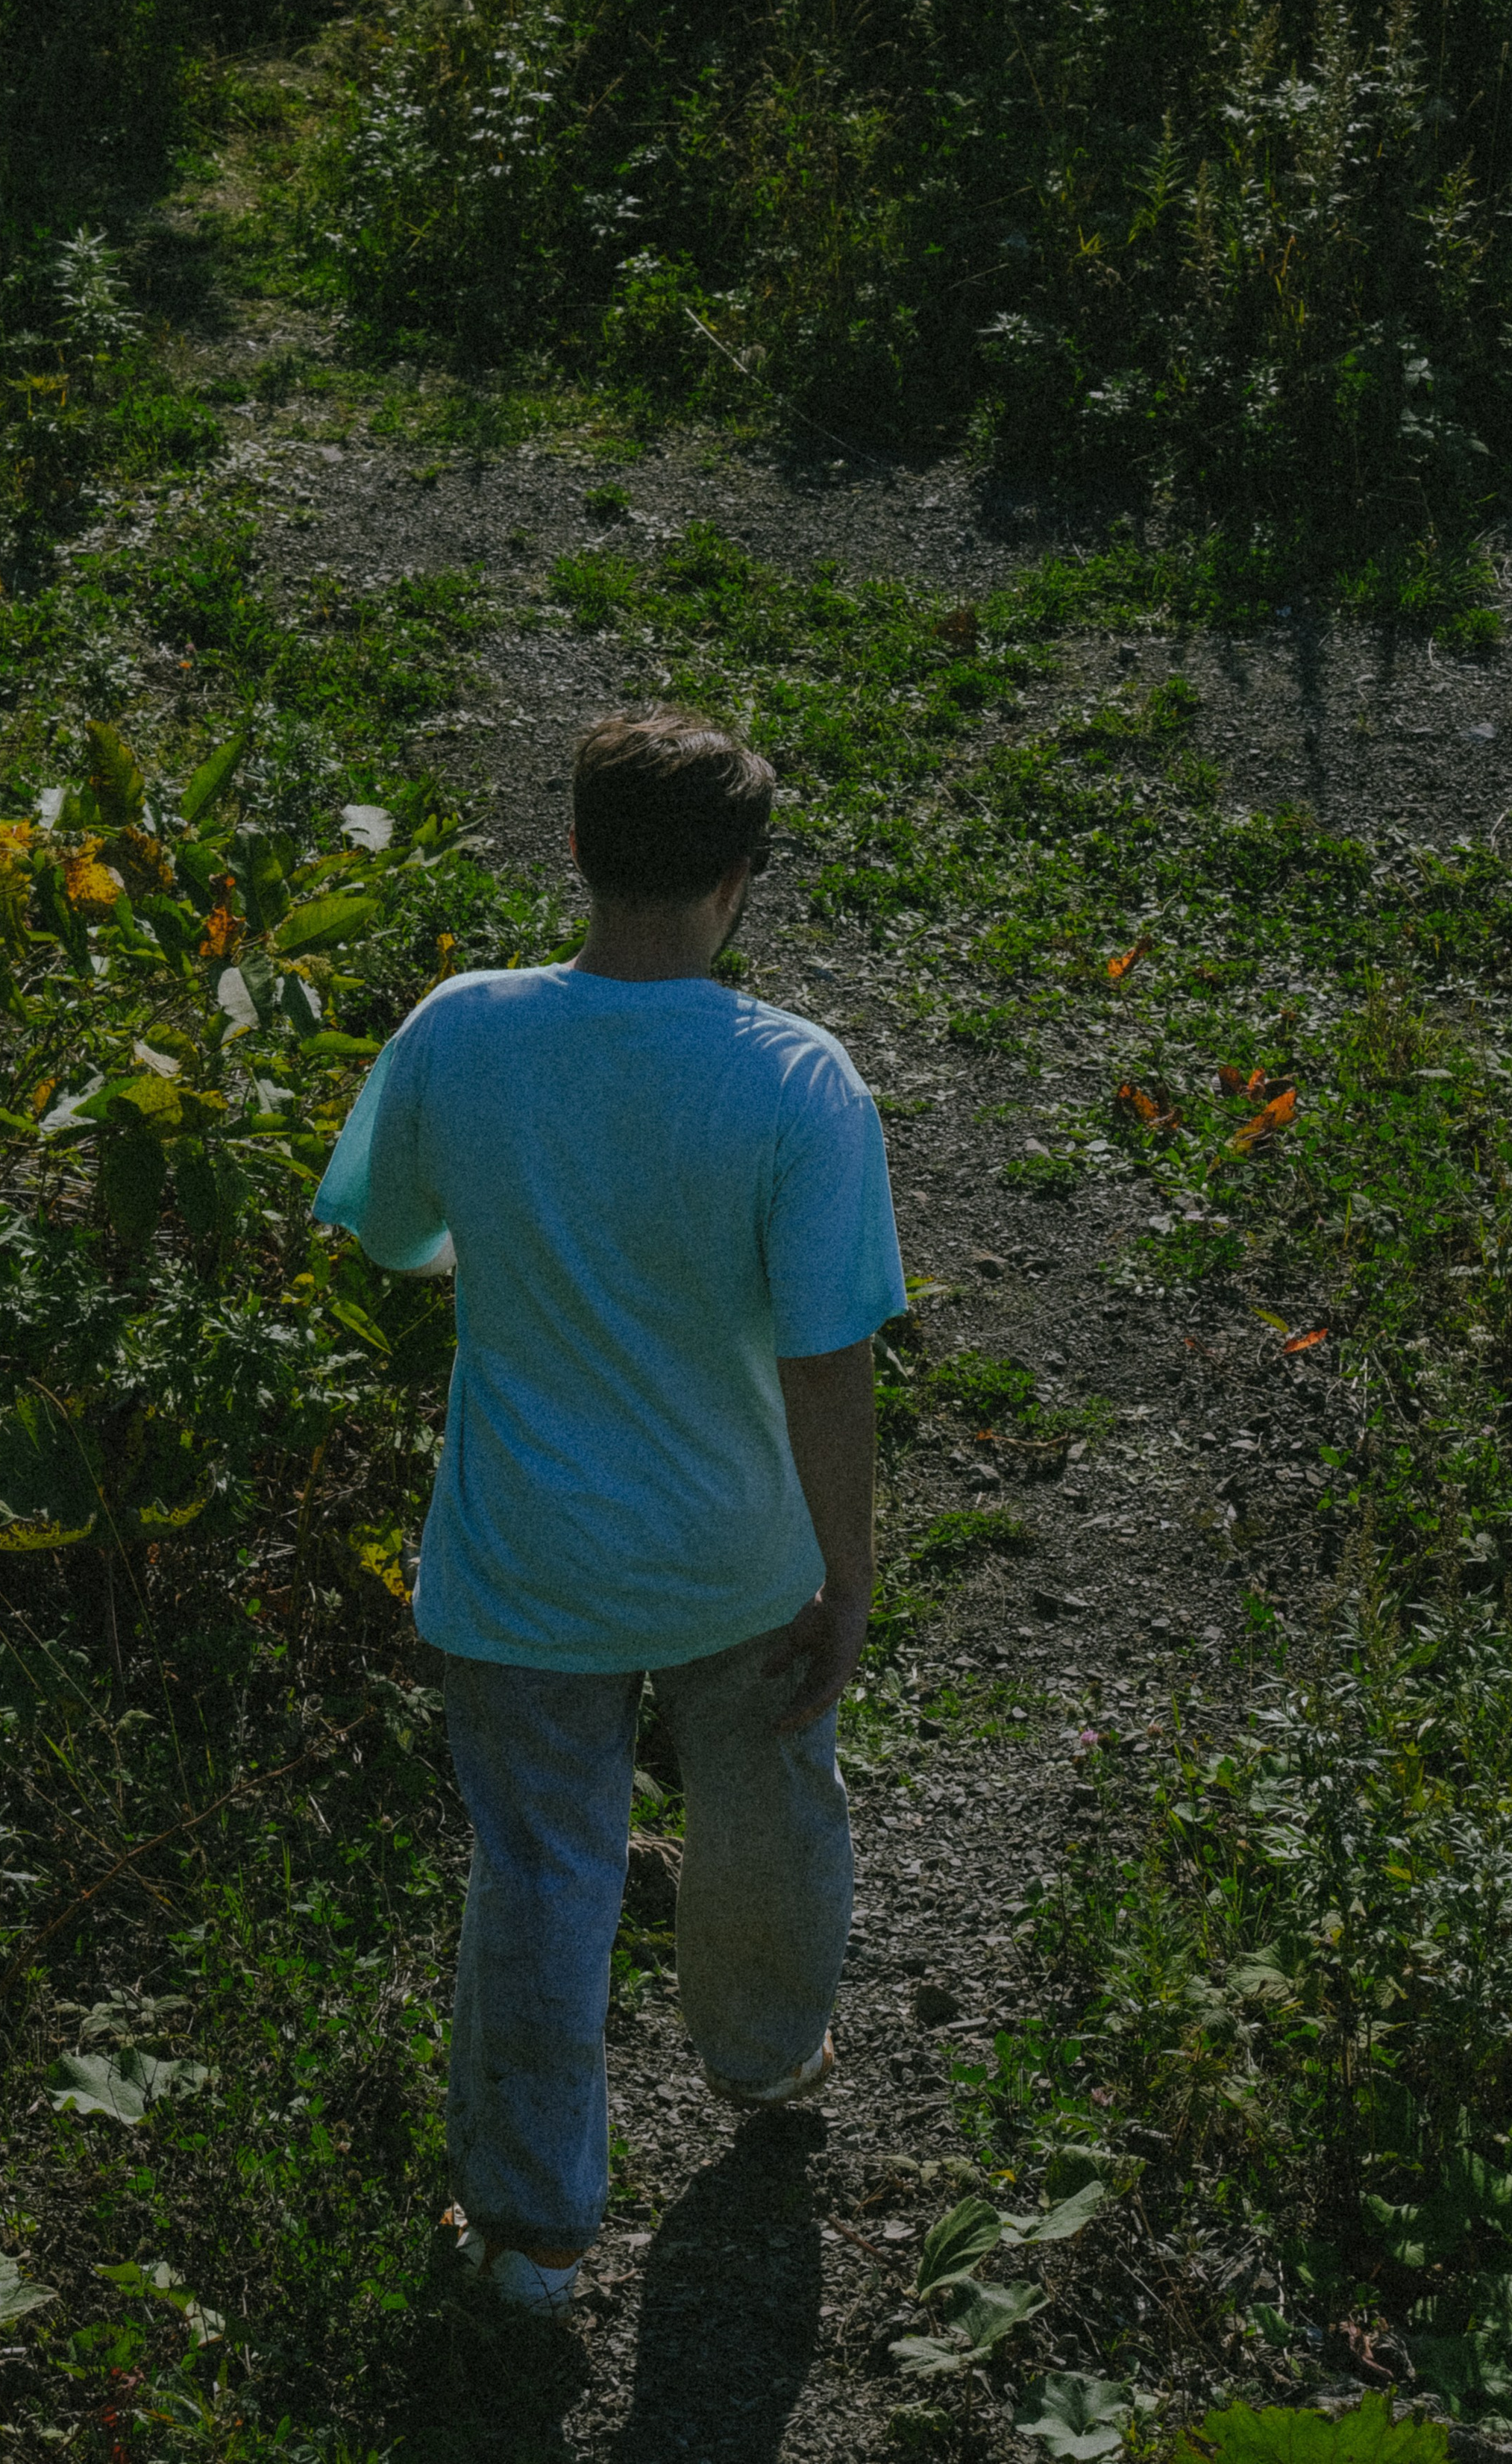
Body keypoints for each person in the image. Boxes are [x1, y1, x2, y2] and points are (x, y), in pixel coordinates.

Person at [313, 708, 905, 2316]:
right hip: (735, 1551)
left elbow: (389, 1233)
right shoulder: (795, 1078)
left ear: (570, 850)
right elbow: (828, 1357)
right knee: (769, 1810)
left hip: (524, 1558)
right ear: (740, 877)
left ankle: (529, 2236)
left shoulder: (460, 1031)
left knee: (540, 1870)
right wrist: (845, 1577)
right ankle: (769, 2065)